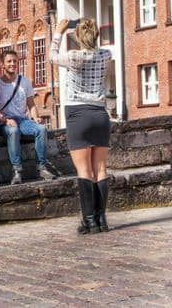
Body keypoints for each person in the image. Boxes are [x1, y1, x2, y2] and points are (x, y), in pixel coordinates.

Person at [51, 18, 112, 234]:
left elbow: (52, 56)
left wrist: (58, 32)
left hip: (78, 114)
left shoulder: (73, 57)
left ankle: (89, 221)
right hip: (99, 114)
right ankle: (101, 219)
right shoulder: (106, 55)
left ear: (78, 37)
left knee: (84, 169)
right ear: (96, 35)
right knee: (101, 169)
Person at [0, 50, 56, 185]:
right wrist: (5, 120)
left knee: (40, 129)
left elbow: (31, 104)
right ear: (2, 65)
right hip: (5, 122)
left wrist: (36, 117)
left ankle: (41, 167)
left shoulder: (24, 82)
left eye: (15, 61)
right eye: (9, 61)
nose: (12, 64)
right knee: (13, 131)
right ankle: (17, 170)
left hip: (22, 120)